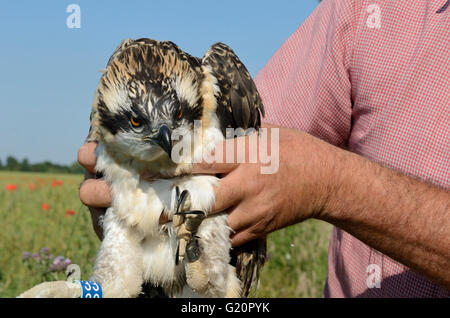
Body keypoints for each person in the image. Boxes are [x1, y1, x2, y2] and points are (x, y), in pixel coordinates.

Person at [78, 0, 449, 297]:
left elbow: (304, 167)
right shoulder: (369, 9)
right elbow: (261, 156)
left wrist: (331, 183)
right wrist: (124, 209)